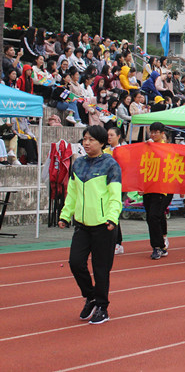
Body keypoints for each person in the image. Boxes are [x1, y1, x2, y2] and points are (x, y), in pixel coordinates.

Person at [58, 126, 122, 325]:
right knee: (75, 263)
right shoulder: (78, 164)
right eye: (84, 139)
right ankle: (91, 296)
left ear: (102, 143)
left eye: (91, 140)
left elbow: (115, 196)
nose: (86, 143)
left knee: (101, 269)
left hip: (104, 225)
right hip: (82, 225)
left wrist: (112, 218)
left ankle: (102, 307)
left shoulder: (111, 165)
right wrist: (65, 215)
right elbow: (72, 193)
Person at [143, 122, 171, 260]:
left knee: (154, 216)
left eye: (156, 132)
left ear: (162, 133)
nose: (153, 134)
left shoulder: (167, 149)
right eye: (151, 132)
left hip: (161, 189)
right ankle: (161, 244)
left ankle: (158, 246)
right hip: (148, 187)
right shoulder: (146, 147)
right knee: (151, 217)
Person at [104, 127, 126, 254]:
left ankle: (118, 242)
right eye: (108, 135)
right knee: (108, 213)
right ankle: (111, 241)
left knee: (114, 212)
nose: (109, 137)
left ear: (118, 136)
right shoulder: (105, 152)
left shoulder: (125, 151)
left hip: (118, 186)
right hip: (106, 186)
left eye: (112, 135)